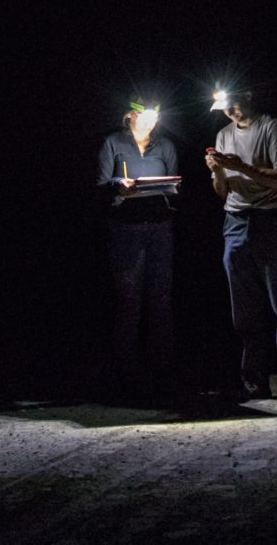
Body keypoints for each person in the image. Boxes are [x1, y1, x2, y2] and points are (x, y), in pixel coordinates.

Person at [206, 88, 277, 405]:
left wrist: (242, 167)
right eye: (223, 107)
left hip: (270, 221)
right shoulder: (223, 134)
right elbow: (223, 192)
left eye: (233, 103)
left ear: (249, 95)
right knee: (245, 312)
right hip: (235, 222)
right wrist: (218, 171)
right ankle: (254, 383)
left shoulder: (270, 126)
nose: (229, 111)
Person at [97, 99, 180, 404]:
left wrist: (169, 189)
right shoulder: (113, 143)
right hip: (126, 230)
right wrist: (119, 184)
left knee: (161, 302)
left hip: (159, 228)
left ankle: (163, 377)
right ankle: (125, 377)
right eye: (144, 115)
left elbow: (176, 185)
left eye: (155, 116)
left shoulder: (165, 145)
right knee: (128, 302)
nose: (150, 121)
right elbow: (101, 185)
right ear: (130, 114)